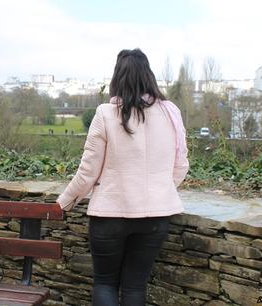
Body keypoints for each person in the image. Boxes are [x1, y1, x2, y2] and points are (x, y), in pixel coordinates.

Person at [56, 48, 189, 306]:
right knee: (135, 287)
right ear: (148, 76)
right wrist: (159, 189)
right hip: (156, 216)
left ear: (118, 77)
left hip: (110, 215)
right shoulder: (170, 112)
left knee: (105, 283)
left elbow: (88, 172)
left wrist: (63, 202)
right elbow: (180, 165)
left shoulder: (106, 113)